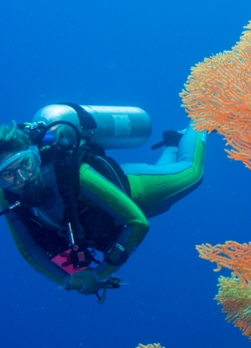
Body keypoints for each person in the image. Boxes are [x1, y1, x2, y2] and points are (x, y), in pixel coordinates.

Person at [0, 108, 205, 302]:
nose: (22, 179)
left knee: (191, 173)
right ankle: (173, 143)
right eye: (8, 174)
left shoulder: (73, 174)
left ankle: (203, 118)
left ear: (35, 155)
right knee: (163, 203)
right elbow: (30, 249)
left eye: (26, 164)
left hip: (134, 191)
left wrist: (100, 274)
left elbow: (136, 222)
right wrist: (68, 279)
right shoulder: (7, 198)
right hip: (110, 223)